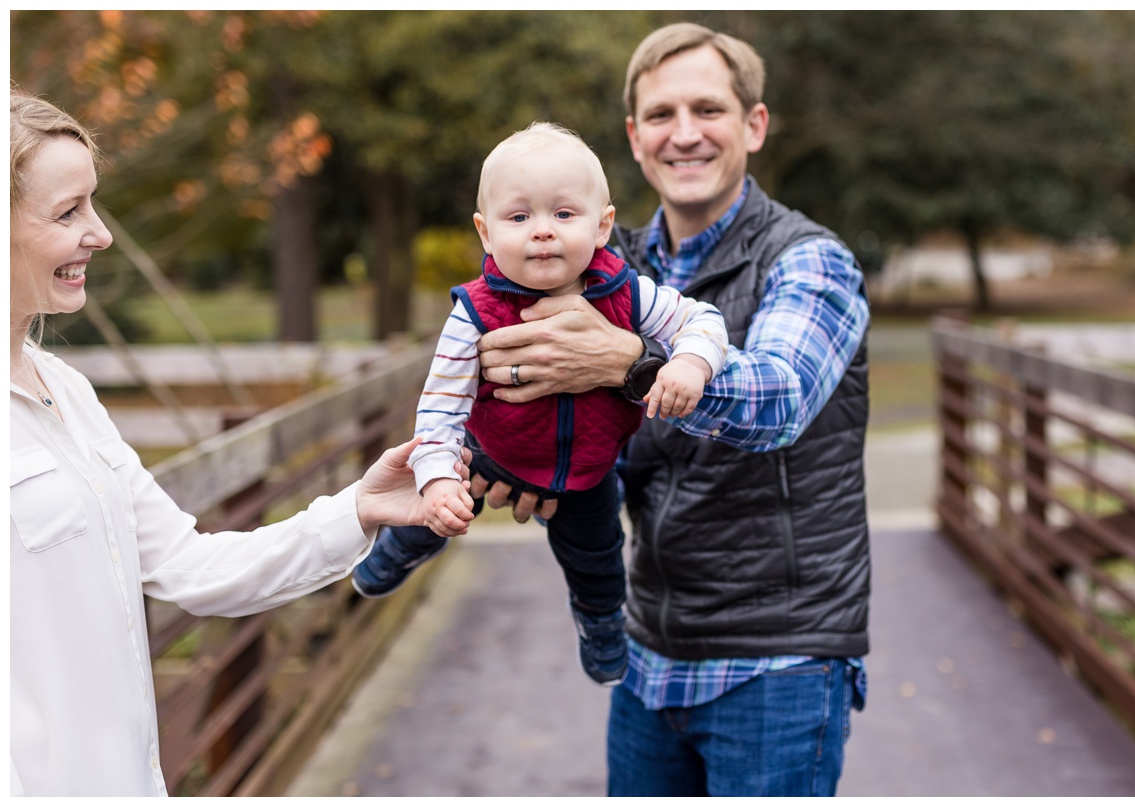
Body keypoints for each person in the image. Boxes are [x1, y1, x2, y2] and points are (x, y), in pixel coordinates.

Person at [8, 88, 469, 797]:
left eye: (93, 204)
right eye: (68, 212)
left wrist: (359, 509)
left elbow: (191, 565)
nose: (98, 233)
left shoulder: (68, 391)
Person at [471, 23, 872, 797]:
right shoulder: (606, 265)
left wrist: (625, 364)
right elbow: (555, 401)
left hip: (778, 657)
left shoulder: (808, 258)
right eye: (660, 115)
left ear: (753, 125)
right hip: (647, 648)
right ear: (634, 136)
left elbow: (780, 396)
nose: (683, 134)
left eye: (708, 109)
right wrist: (515, 457)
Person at [351, 121, 729, 686]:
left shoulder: (626, 293)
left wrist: (689, 362)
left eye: (564, 215)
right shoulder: (474, 314)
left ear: (603, 225)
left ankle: (600, 624)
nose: (543, 233)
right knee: (439, 511)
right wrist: (436, 480)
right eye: (520, 216)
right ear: (485, 232)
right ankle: (398, 550)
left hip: (586, 471)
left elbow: (702, 319)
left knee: (598, 559)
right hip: (490, 453)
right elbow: (440, 408)